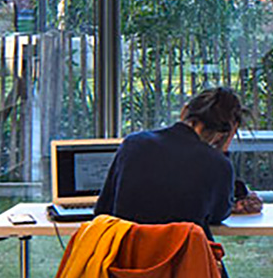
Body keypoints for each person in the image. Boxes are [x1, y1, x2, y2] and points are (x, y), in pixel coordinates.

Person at [95, 87, 264, 230]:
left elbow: (103, 209)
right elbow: (218, 215)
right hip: (184, 265)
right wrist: (223, 150)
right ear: (224, 133)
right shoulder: (217, 163)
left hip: (126, 263)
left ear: (185, 111)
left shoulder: (133, 143)